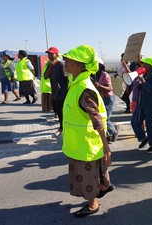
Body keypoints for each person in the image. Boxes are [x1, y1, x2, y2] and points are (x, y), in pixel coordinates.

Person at [62, 44, 113, 217]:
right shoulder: (76, 83)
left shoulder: (84, 88)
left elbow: (97, 119)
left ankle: (93, 205)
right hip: (79, 141)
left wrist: (106, 146)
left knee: (87, 176)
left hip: (86, 143)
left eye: (68, 60)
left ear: (80, 65)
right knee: (91, 173)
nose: (65, 62)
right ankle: (104, 186)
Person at [131, 57, 152, 153]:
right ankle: (143, 138)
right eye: (143, 64)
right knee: (134, 122)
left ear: (151, 66)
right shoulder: (145, 75)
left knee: (150, 125)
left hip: (151, 105)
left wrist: (144, 82)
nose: (143, 66)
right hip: (142, 103)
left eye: (145, 64)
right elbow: (142, 88)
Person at [44, 47, 68, 136]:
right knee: (56, 110)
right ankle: (63, 126)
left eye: (51, 54)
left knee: (61, 111)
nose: (49, 56)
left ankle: (62, 128)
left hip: (62, 92)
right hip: (54, 92)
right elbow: (45, 76)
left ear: (56, 55)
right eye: (48, 54)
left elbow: (66, 78)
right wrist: (50, 67)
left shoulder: (61, 64)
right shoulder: (49, 65)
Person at [94, 63, 118, 143]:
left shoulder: (105, 75)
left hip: (108, 98)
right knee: (101, 117)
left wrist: (99, 86)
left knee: (105, 118)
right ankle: (109, 134)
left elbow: (109, 88)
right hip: (100, 99)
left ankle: (113, 131)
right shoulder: (94, 75)